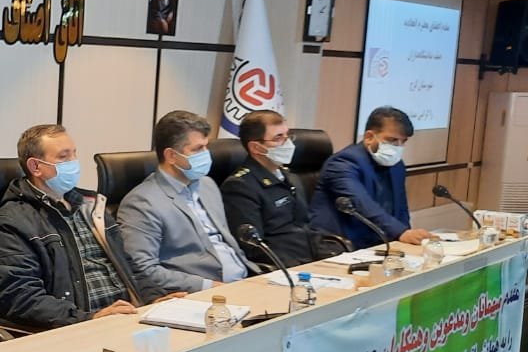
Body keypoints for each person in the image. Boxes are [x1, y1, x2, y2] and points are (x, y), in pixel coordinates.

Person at [0, 124, 164, 329]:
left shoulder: (91, 205)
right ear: (35, 167)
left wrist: (156, 299)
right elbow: (19, 297)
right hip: (81, 327)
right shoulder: (12, 221)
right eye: (63, 157)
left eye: (74, 154)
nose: (74, 162)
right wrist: (89, 318)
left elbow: (129, 265)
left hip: (128, 318)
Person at [117, 110, 257, 296]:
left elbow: (225, 242)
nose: (207, 155)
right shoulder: (141, 203)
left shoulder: (207, 185)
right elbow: (143, 269)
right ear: (171, 156)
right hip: (200, 294)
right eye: (198, 149)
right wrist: (207, 286)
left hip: (246, 281)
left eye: (206, 147)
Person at [221, 110, 338, 268]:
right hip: (283, 269)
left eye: (287, 136)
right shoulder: (240, 186)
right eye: (278, 138)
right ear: (256, 147)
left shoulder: (289, 176)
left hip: (311, 262)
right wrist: (300, 269)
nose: (288, 143)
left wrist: (330, 258)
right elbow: (254, 248)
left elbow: (305, 226)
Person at [310, 106, 432, 250]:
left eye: (403, 141)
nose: (398, 147)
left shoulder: (396, 165)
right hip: (343, 244)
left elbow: (401, 210)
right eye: (392, 140)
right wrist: (400, 232)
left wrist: (407, 238)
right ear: (369, 137)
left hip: (380, 242)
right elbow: (361, 204)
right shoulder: (343, 163)